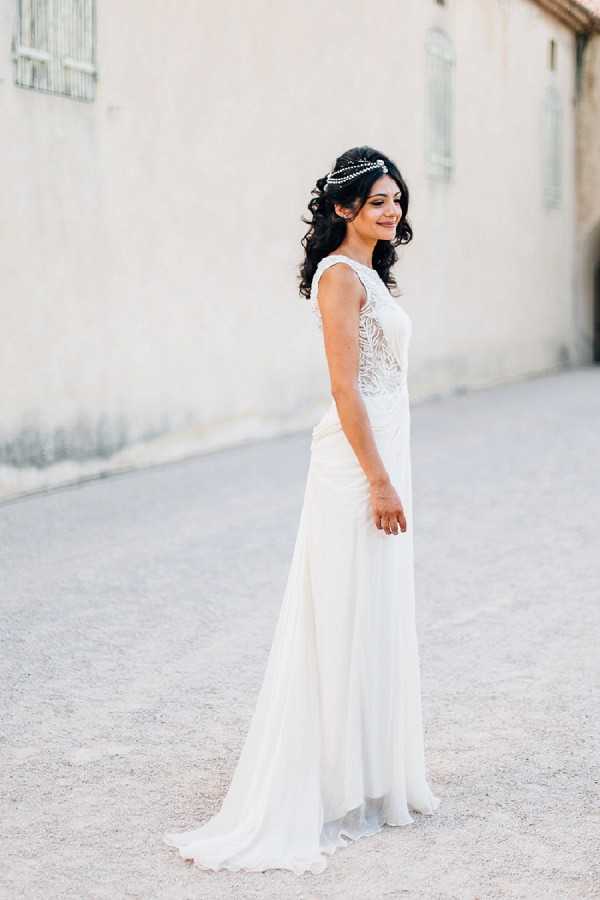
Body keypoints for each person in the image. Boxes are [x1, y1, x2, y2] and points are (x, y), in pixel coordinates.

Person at [163, 146, 441, 875]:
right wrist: (379, 481)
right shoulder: (340, 278)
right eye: (377, 200)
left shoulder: (372, 274)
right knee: (342, 608)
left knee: (376, 606)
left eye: (395, 199)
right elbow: (347, 390)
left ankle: (371, 775)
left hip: (386, 450)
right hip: (357, 464)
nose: (391, 211)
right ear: (344, 208)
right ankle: (324, 782)